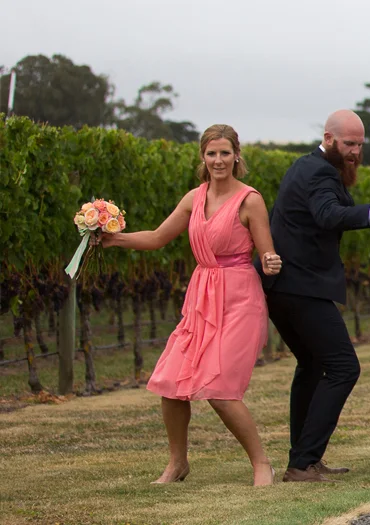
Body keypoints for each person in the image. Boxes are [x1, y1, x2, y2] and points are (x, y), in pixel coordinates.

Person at [101, 124, 281, 487]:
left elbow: (267, 252)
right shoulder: (193, 199)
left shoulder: (250, 200)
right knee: (170, 382)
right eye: (212, 153)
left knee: (220, 389)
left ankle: (262, 464)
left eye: (225, 153)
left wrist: (271, 261)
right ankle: (177, 464)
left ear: (236, 156)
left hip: (239, 299)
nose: (218, 160)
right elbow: (156, 238)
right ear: (203, 157)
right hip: (201, 296)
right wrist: (114, 239)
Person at [264, 110, 370, 482]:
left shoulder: (305, 166)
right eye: (349, 144)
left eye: (360, 144)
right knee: (344, 367)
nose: (355, 152)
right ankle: (303, 462)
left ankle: (304, 458)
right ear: (329, 138)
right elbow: (328, 214)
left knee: (311, 367)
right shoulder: (320, 173)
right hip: (301, 289)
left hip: (285, 289)